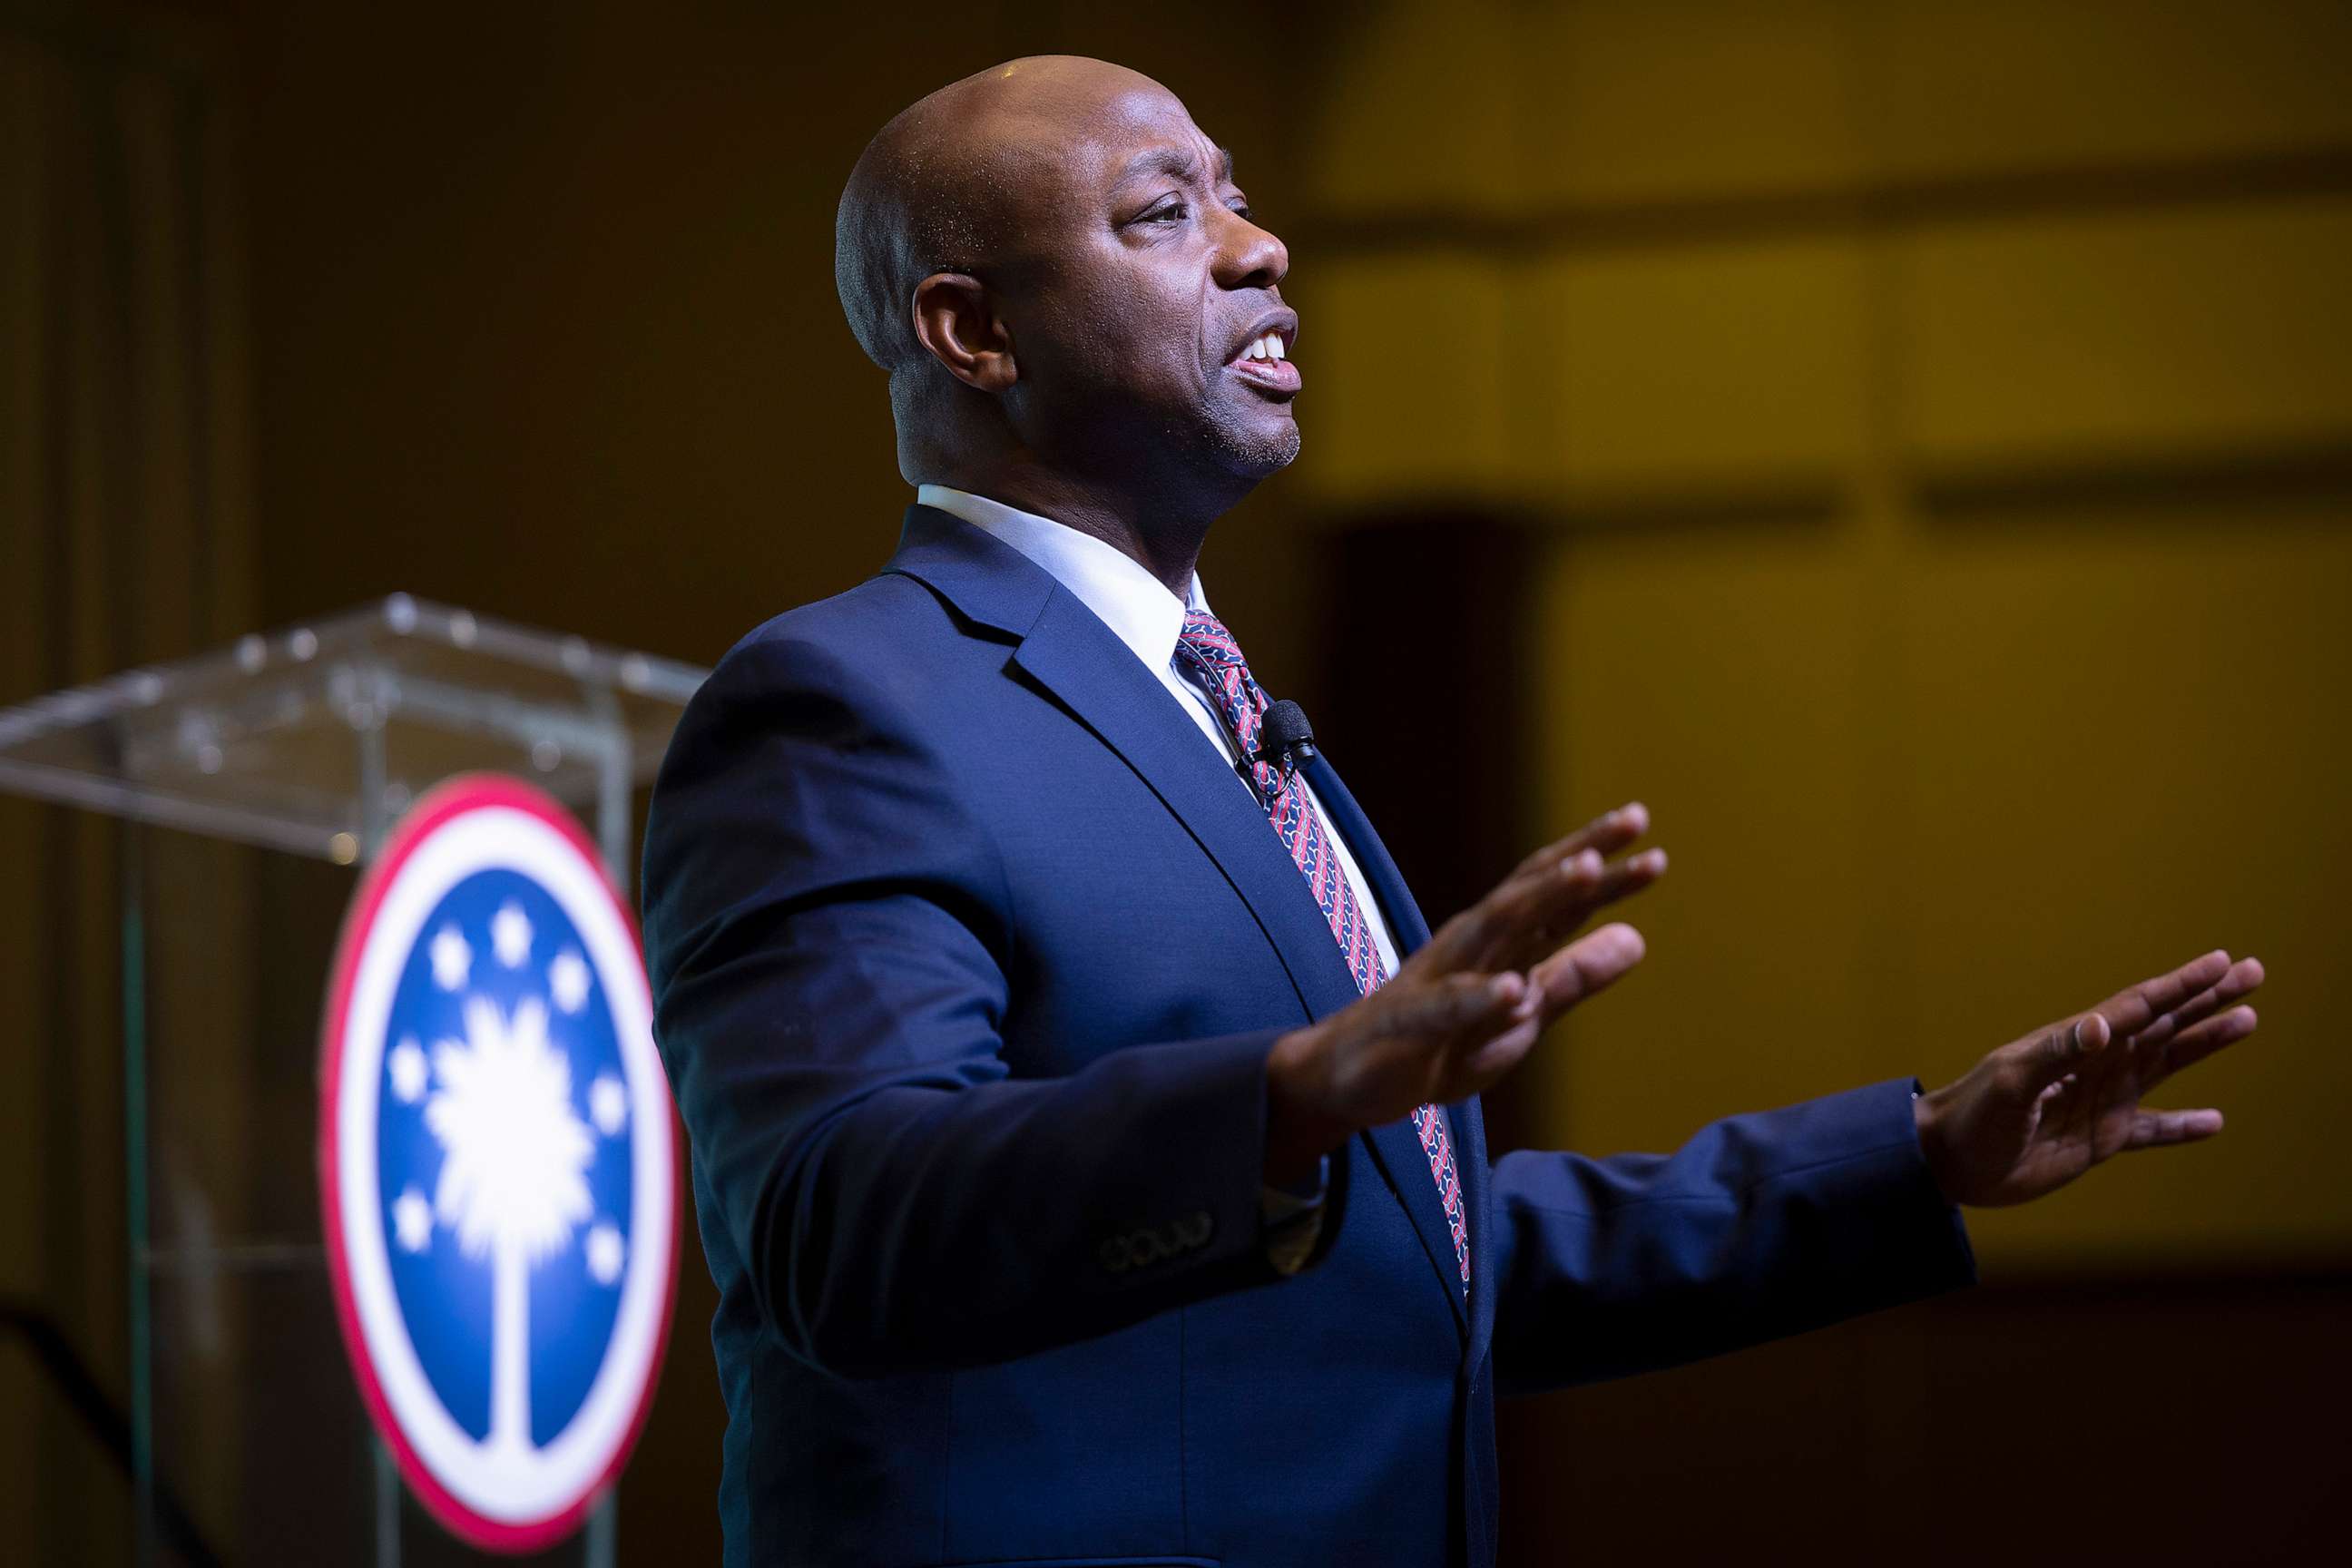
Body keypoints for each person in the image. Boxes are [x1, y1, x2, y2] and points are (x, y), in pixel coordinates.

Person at [639, 55, 2265, 1568]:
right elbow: (833, 1224)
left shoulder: (1216, 711)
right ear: (971, 333)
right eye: (1166, 213)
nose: (1262, 248)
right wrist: (1281, 1102)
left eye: (1237, 192)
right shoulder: (848, 706)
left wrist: (1911, 1161)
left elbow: (1422, 1257)